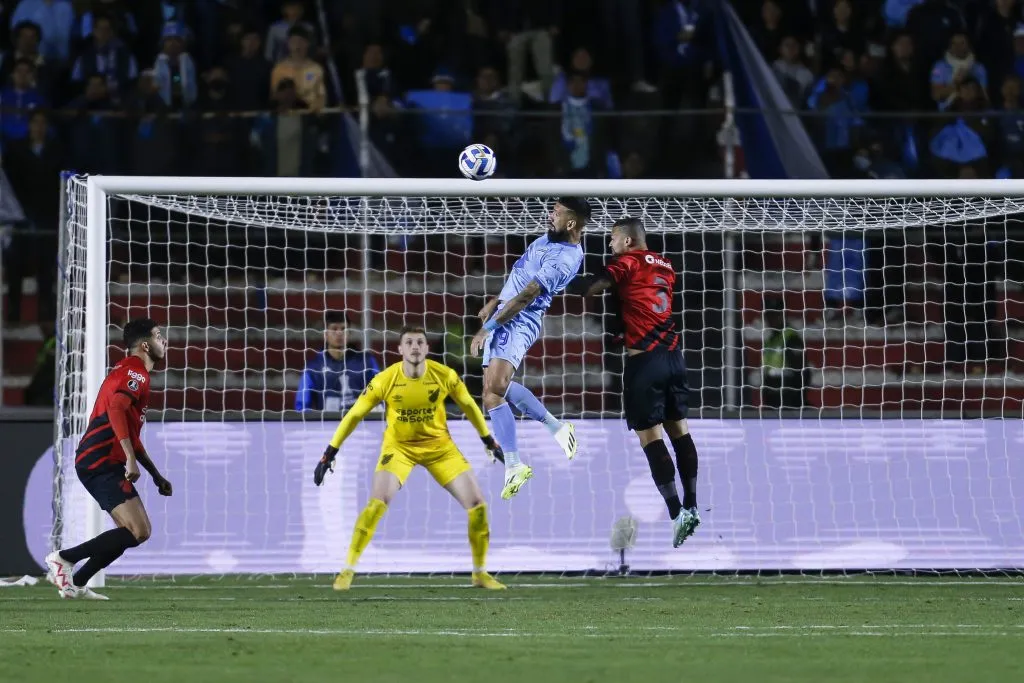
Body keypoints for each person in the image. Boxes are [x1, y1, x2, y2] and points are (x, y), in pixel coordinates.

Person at [313, 327, 506, 590]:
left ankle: (480, 573)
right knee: (377, 504)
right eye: (409, 342)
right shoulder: (385, 380)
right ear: (400, 350)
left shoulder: (444, 375)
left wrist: (488, 439)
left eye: (420, 342)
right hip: (399, 449)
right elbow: (354, 415)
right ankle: (346, 570)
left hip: (440, 449)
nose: (415, 347)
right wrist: (329, 452)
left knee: (478, 506)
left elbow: (470, 406)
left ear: (427, 349)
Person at [576, 218, 700, 547]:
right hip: (674, 356)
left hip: (645, 361)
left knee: (650, 438)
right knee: (680, 431)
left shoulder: (627, 262)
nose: (610, 245)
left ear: (629, 242)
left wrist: (564, 277)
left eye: (613, 239)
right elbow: (637, 300)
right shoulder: (666, 264)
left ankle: (677, 513)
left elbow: (593, 287)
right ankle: (692, 503)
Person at [468, 197, 592, 500]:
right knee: (493, 390)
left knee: (493, 391)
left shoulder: (564, 258)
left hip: (518, 321)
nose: (551, 216)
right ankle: (556, 428)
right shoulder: (548, 238)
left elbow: (525, 297)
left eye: (558, 213)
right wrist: (495, 301)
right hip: (505, 313)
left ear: (572, 223)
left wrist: (489, 327)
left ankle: (514, 464)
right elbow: (519, 277)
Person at [44, 319, 173, 599]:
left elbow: (130, 434)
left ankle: (75, 582)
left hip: (101, 459)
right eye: (159, 336)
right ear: (145, 345)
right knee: (138, 530)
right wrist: (129, 459)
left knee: (135, 532)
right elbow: (115, 409)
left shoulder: (132, 373)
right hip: (100, 459)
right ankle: (64, 558)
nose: (165, 342)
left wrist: (155, 474)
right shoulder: (135, 372)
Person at [295, 311, 380, 412]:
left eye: (344, 329)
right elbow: (302, 406)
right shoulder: (313, 367)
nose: (339, 333)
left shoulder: (366, 361)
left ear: (349, 333)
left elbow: (380, 392)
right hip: (327, 425)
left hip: (360, 423)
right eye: (334, 329)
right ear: (325, 334)